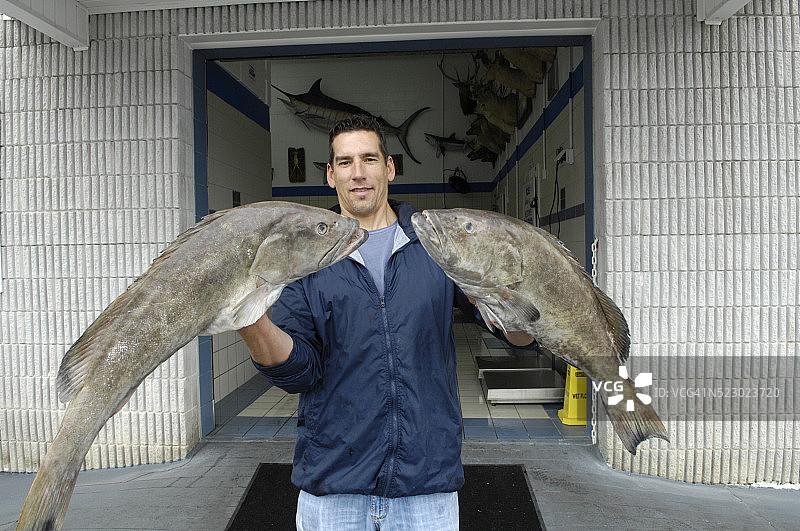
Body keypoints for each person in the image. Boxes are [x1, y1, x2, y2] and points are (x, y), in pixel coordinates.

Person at [238, 114, 532, 530]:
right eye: (345, 162)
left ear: (389, 168)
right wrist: (248, 319)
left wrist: (520, 296)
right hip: (334, 483)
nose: (358, 173)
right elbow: (299, 371)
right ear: (330, 175)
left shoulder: (435, 243)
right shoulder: (302, 257)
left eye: (369, 159)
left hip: (426, 483)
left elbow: (518, 337)